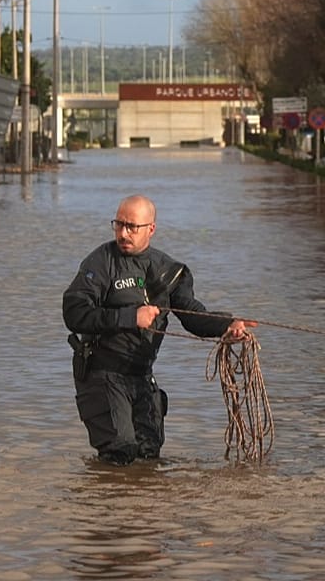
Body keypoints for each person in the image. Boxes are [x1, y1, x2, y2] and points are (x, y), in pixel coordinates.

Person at [62, 194, 255, 465]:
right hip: (102, 373)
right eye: (118, 225)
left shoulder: (168, 270)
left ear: (151, 229)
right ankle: (106, 504)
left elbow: (192, 314)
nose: (123, 233)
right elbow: (73, 313)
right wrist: (129, 317)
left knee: (148, 455)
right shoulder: (100, 263)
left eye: (132, 227)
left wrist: (228, 325)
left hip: (142, 375)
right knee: (121, 451)